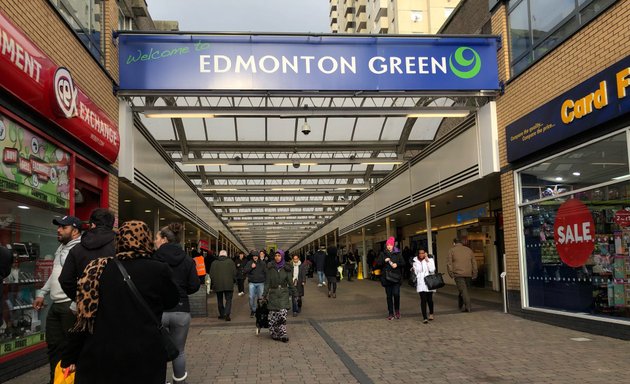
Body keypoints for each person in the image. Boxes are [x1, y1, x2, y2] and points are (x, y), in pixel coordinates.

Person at [60, 220, 179, 384]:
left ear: (119, 240)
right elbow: (172, 301)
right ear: (147, 239)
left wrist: (69, 356)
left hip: (102, 353)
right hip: (145, 353)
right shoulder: (159, 270)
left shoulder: (97, 269)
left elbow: (84, 316)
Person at [32, 216, 81, 384]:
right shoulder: (61, 247)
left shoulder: (80, 249)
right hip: (56, 304)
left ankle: (70, 381)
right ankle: (56, 379)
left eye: (63, 227)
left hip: (70, 305)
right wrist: (41, 293)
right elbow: (55, 274)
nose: (58, 230)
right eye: (58, 227)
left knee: (70, 348)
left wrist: (75, 303)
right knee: (53, 346)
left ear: (75, 231)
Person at [153, 223, 200, 384]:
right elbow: (194, 285)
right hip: (181, 310)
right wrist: (181, 291)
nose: (155, 241)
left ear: (165, 240)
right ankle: (179, 381)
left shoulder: (153, 258)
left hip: (158, 311)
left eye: (157, 238)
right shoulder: (187, 259)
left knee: (158, 351)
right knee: (179, 351)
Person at [59, 208, 116, 301]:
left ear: (92, 225)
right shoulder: (120, 246)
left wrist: (81, 297)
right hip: (114, 303)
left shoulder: (76, 249)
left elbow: (65, 280)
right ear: (111, 225)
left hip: (87, 306)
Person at [263, 250, 296, 342]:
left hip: (283, 293)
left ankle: (283, 333)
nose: (277, 257)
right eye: (276, 255)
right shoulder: (270, 268)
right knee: (273, 316)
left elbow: (290, 282)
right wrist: (264, 295)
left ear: (282, 257)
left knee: (282, 314)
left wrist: (295, 293)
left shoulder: (287, 268)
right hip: (273, 293)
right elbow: (267, 283)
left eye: (279, 255)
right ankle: (274, 333)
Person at [375, 237, 405, 320]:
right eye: (388, 245)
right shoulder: (383, 254)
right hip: (387, 278)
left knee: (396, 294)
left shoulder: (398, 253)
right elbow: (377, 264)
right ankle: (391, 313)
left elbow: (403, 263)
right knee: (389, 296)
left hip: (396, 278)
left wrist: (397, 264)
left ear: (393, 245)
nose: (389, 246)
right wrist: (384, 260)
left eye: (390, 245)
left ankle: (397, 311)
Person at [447, 238, 478, 312]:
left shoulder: (451, 250)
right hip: (468, 273)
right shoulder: (469, 250)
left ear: (454, 243)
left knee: (463, 290)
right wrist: (475, 273)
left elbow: (449, 264)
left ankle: (468, 307)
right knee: (463, 290)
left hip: (458, 274)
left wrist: (451, 273)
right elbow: (474, 262)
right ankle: (460, 304)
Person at [208, 249, 237, 321]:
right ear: (226, 255)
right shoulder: (230, 262)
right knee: (229, 300)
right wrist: (233, 281)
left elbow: (211, 274)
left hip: (218, 284)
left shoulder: (214, 263)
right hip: (229, 284)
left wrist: (214, 282)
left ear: (219, 255)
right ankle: (227, 314)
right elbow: (234, 273)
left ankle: (222, 314)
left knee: (219, 300)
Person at [412, 249, 436, 324]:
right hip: (421, 282)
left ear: (425, 253)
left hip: (429, 282)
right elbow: (416, 272)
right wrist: (414, 268)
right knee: (423, 300)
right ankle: (424, 317)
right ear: (418, 254)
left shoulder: (430, 260)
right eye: (420, 253)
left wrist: (427, 260)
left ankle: (431, 313)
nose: (421, 254)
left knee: (429, 299)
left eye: (423, 253)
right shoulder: (415, 261)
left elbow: (432, 270)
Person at [244, 252, 266, 318]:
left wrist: (266, 281)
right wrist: (251, 267)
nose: (255, 257)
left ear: (258, 256)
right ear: (252, 257)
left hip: (261, 282)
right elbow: (245, 271)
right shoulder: (249, 263)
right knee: (251, 297)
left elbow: (266, 272)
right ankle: (253, 310)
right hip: (252, 283)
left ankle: (260, 310)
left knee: (260, 298)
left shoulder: (262, 263)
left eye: (256, 256)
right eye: (254, 256)